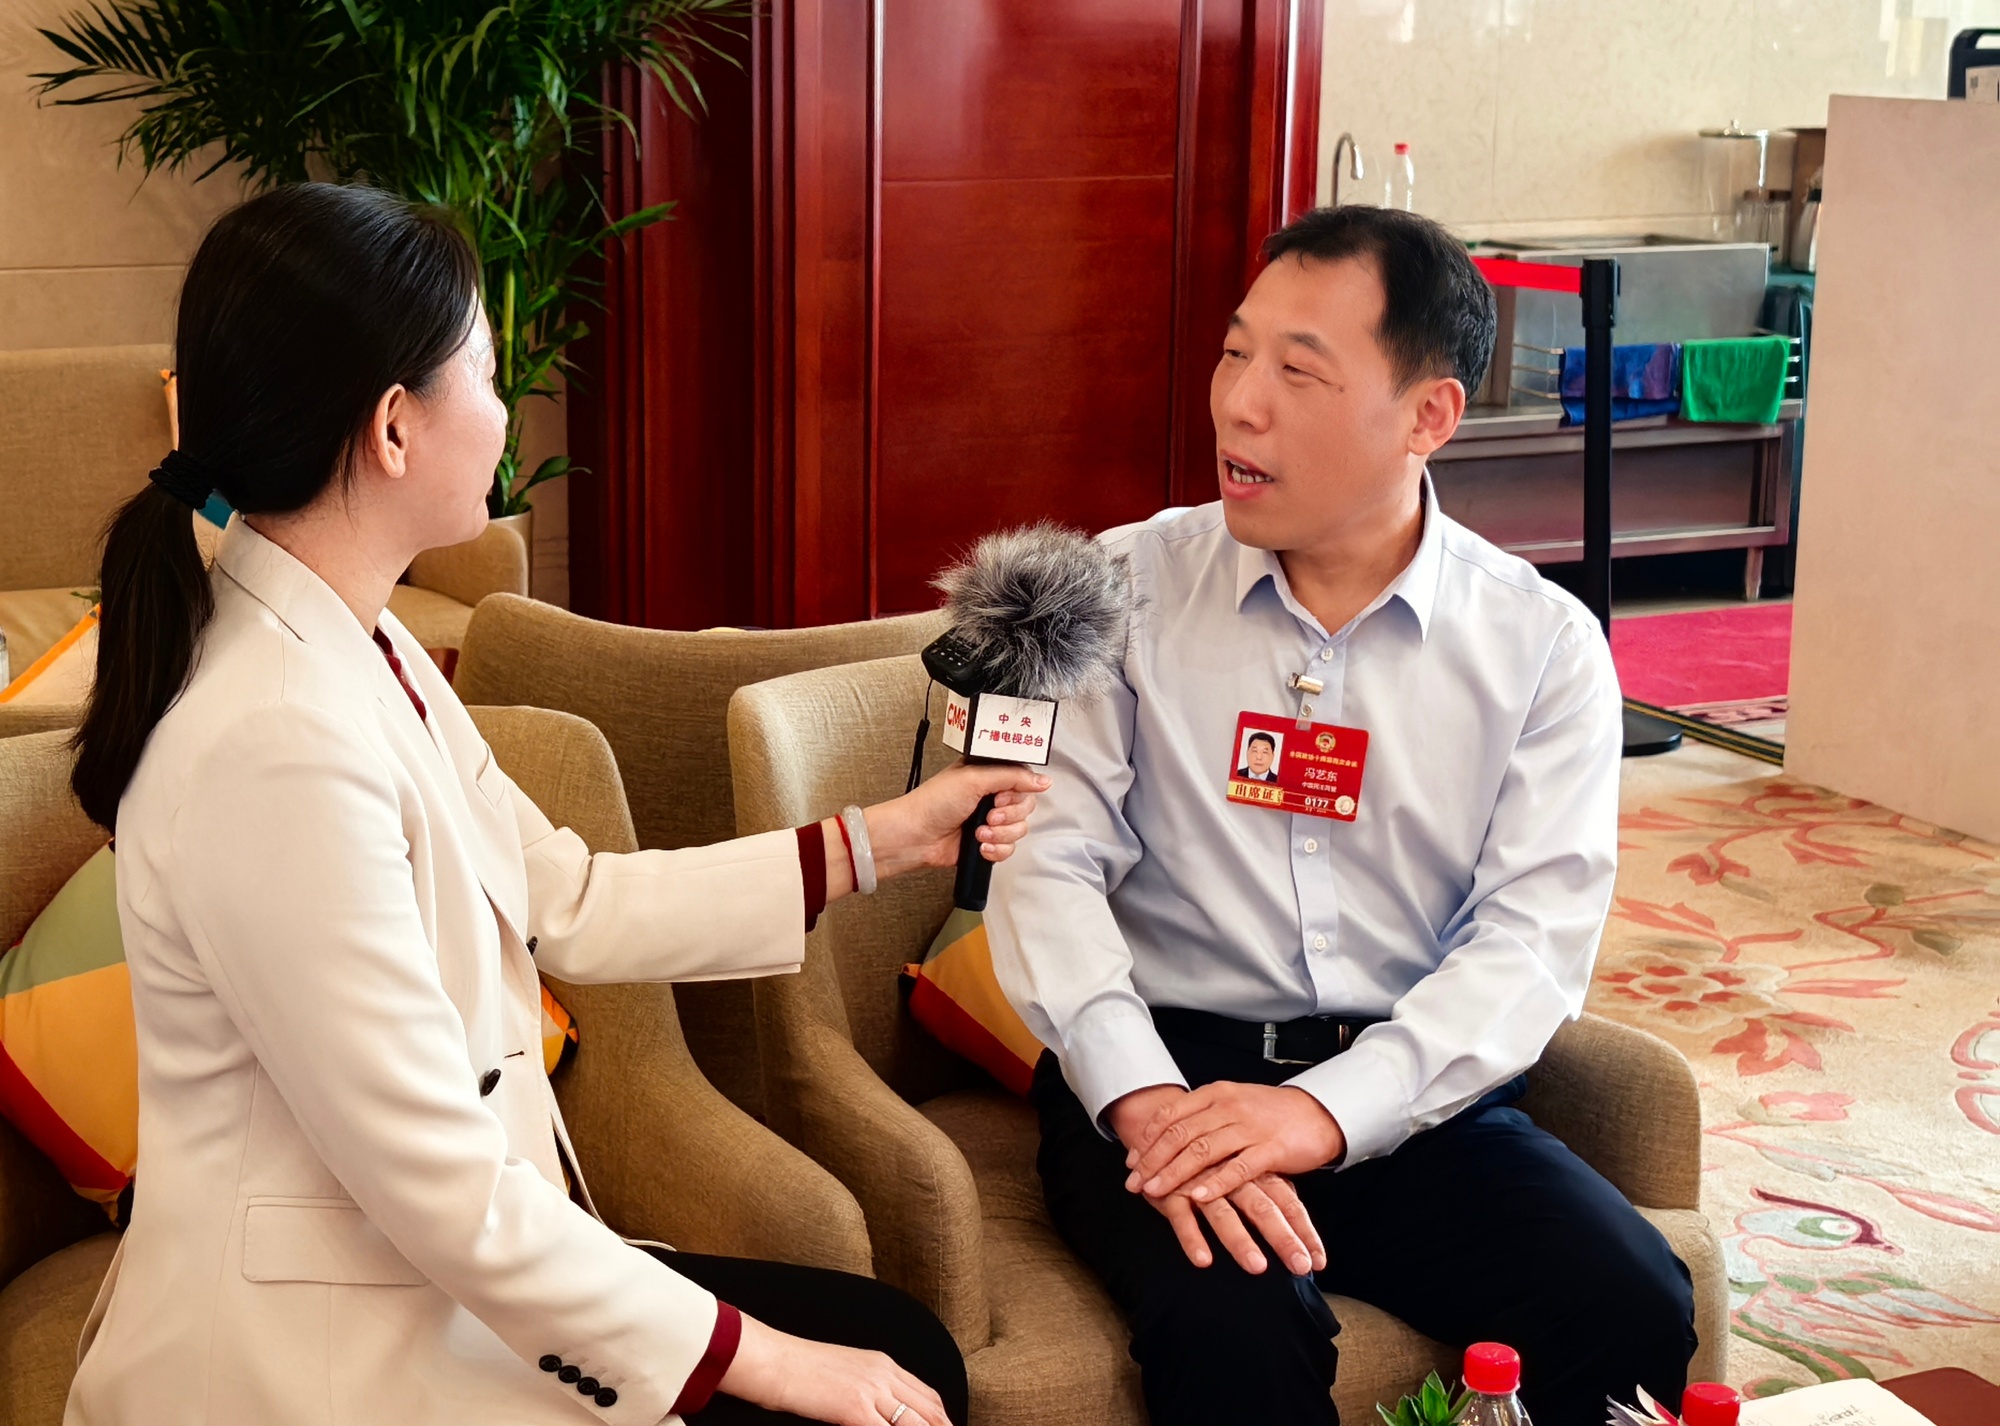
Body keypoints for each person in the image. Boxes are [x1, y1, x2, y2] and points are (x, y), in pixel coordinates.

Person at [64, 183, 1044, 1426]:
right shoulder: (275, 742)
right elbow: (440, 1184)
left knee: (900, 1344)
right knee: (869, 1374)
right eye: (484, 372)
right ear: (394, 427)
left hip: (430, 1274)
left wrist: (883, 840)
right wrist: (773, 1360)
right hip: (329, 1353)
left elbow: (565, 896)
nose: (505, 410)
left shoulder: (362, 644)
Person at [985, 205, 1697, 1426]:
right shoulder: (1118, 587)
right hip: (1166, 1077)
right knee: (1230, 1329)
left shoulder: (1538, 647)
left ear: (1428, 416)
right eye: (1233, 353)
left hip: (1409, 1087)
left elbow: (1528, 943)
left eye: (1297, 371)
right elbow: (1046, 867)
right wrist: (1146, 1103)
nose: (1237, 404)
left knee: (1625, 1298)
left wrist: (1326, 1110)